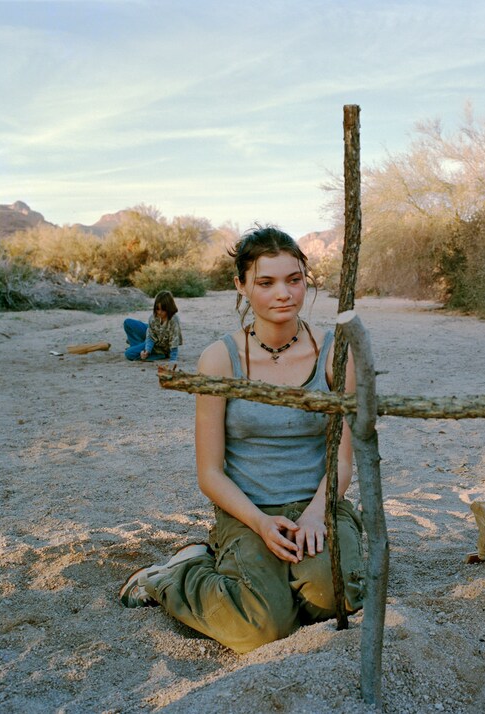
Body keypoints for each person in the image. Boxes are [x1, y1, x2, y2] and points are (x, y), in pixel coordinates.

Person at [118, 226, 364, 654]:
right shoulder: (220, 359)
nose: (283, 293)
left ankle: (285, 573)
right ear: (241, 285)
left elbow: (342, 459)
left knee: (337, 599)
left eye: (294, 279)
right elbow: (210, 472)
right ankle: (173, 576)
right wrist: (260, 523)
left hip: (319, 503)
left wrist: (314, 516)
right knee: (261, 629)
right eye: (265, 282)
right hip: (249, 509)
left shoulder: (335, 354)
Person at [123, 290, 182, 366]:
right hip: (153, 336)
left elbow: (174, 340)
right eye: (157, 309)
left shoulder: (173, 320)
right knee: (128, 323)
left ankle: (158, 354)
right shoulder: (153, 317)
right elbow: (150, 336)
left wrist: (173, 359)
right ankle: (140, 348)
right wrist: (147, 350)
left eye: (163, 310)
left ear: (169, 308)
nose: (159, 312)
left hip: (160, 346)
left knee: (129, 353)